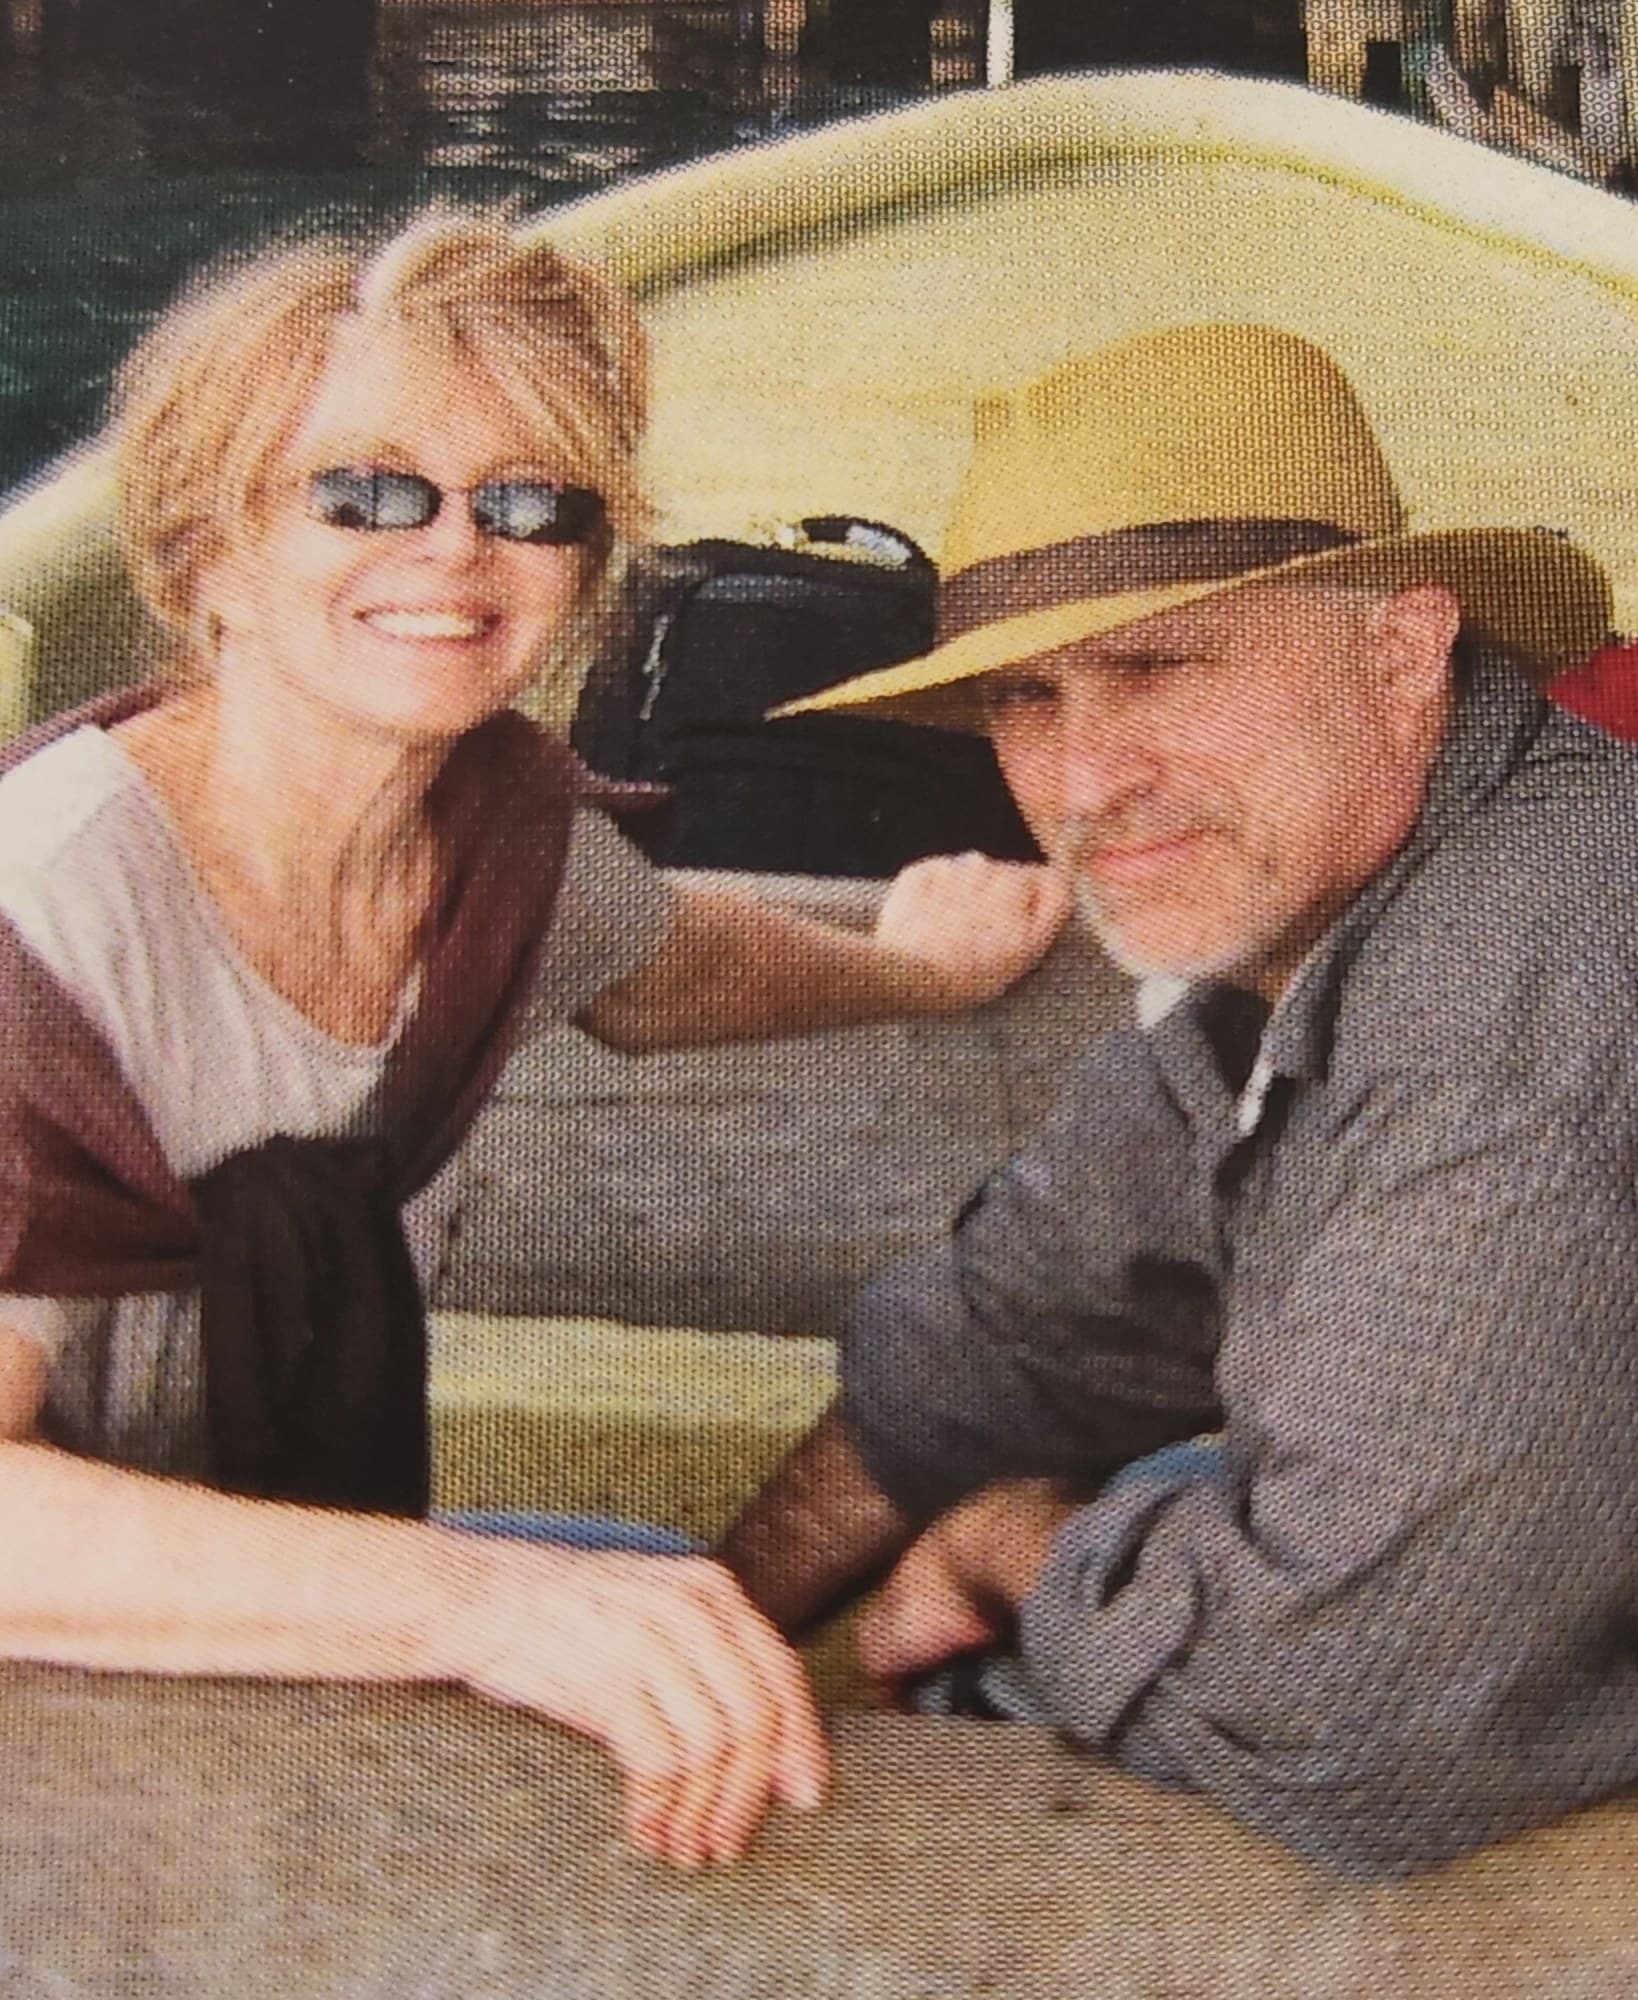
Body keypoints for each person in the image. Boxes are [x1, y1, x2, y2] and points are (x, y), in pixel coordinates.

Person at [717, 322, 1638, 1876]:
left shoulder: (1510, 997)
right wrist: (716, 1617)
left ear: (1400, 658)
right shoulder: (1322, 905)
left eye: (1157, 666)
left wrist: (1020, 1550)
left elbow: (1352, 1713)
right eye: (1026, 702)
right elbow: (1020, 1327)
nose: (1083, 777)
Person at [0, 215, 1068, 1873]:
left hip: (281, 1576)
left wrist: (915, 971)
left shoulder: (489, 835)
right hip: (56, 1693)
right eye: (363, 493)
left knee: (666, 1598)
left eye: (528, 503)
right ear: (210, 549)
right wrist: (494, 1607)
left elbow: (657, 967)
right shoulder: (48, 915)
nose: (453, 552)